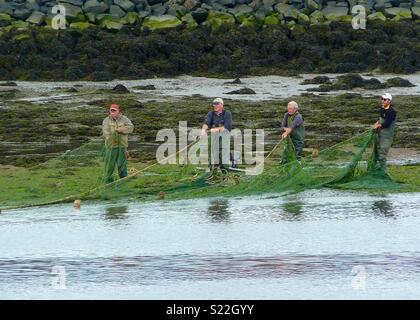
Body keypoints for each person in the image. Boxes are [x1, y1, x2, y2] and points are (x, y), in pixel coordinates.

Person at [102, 103, 134, 183]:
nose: (112, 112)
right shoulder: (106, 120)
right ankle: (108, 180)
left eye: (114, 111)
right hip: (111, 146)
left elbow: (131, 128)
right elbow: (105, 132)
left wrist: (121, 130)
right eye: (111, 111)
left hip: (122, 146)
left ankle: (123, 180)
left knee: (121, 165)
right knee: (110, 165)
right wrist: (109, 136)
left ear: (118, 111)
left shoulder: (125, 119)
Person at [201, 98, 232, 171]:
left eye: (217, 104)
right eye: (214, 104)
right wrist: (203, 130)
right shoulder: (210, 113)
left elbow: (227, 126)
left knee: (223, 150)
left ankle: (227, 166)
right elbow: (206, 123)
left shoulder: (227, 113)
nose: (215, 105)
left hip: (224, 136)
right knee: (212, 151)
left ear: (222, 105)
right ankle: (213, 167)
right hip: (213, 137)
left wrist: (215, 129)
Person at [372, 93, 396, 172]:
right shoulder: (382, 108)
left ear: (389, 101)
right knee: (375, 154)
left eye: (385, 99)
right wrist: (377, 122)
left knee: (382, 156)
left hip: (386, 137)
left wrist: (378, 126)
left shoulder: (392, 111)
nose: (382, 101)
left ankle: (383, 173)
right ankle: (373, 171)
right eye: (382, 99)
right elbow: (381, 119)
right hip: (379, 134)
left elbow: (387, 124)